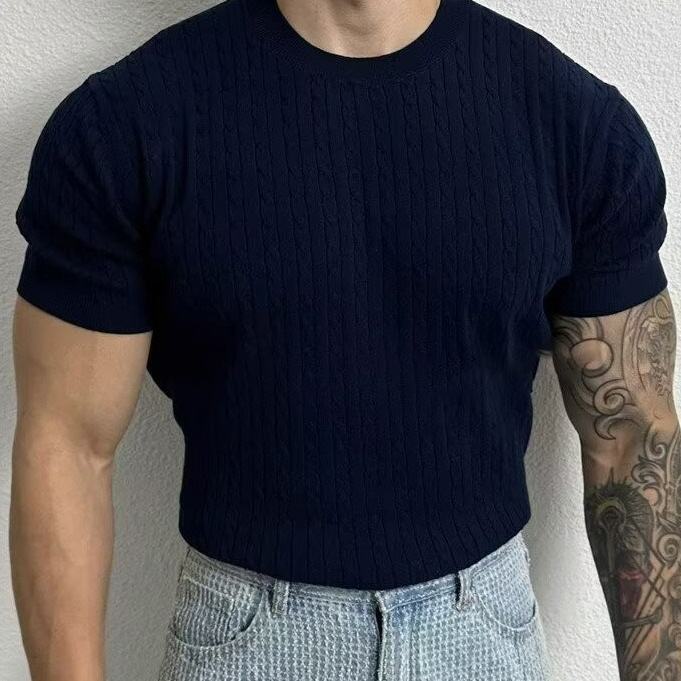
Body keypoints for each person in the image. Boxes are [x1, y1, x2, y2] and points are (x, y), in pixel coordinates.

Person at [9, 0, 680, 678]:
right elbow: (66, 445)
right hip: (245, 641)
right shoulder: (123, 129)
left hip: (483, 634)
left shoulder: (575, 126)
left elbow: (634, 438)